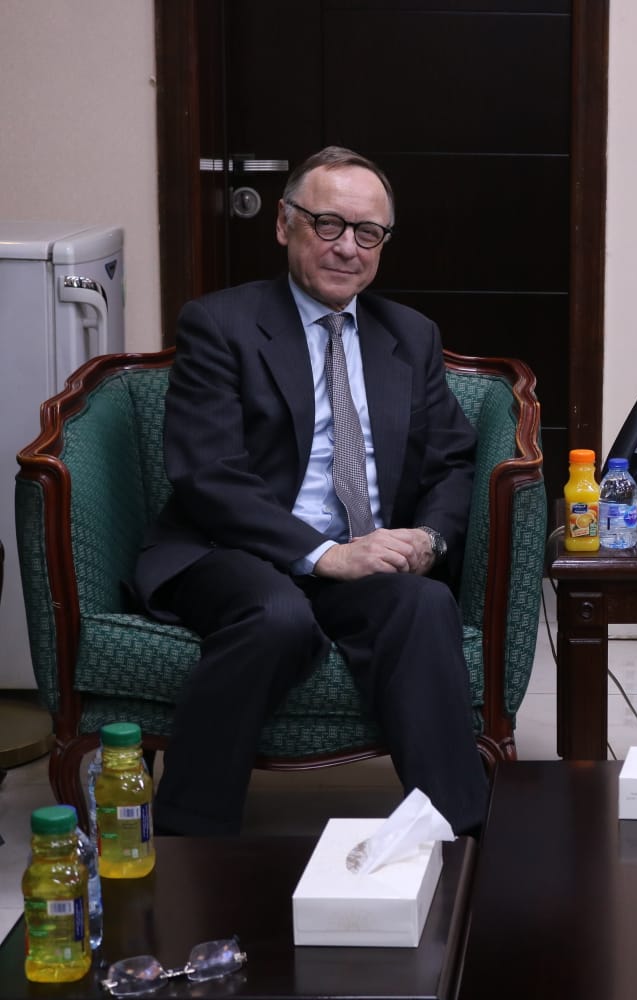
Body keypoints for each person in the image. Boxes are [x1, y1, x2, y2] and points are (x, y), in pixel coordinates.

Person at [134, 145, 490, 836]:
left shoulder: (410, 336)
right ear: (283, 223)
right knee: (277, 618)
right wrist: (326, 555)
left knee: (423, 604)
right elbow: (208, 474)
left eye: (368, 232)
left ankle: (459, 839)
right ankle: (187, 839)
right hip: (233, 551)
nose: (347, 248)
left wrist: (428, 538)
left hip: (363, 557)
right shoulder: (220, 324)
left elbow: (454, 461)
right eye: (328, 224)